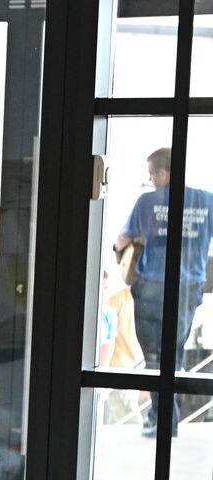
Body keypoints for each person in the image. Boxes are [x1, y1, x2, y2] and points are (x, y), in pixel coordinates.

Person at [112, 147, 213, 437]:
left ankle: (164, 420)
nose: (150, 180)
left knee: (154, 356)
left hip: (153, 286)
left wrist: (118, 252)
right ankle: (162, 417)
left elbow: (123, 238)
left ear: (163, 173)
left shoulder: (147, 201)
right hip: (189, 286)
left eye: (152, 174)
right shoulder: (206, 200)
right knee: (174, 352)